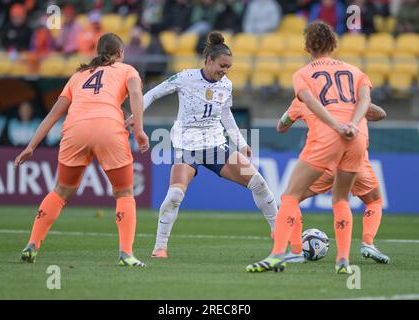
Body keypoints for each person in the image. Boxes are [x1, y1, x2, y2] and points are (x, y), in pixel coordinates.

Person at [246, 21, 372, 274]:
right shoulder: (356, 71)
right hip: (357, 136)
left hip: (328, 136)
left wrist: (336, 125)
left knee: (290, 196)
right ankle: (343, 261)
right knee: (341, 199)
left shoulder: (303, 74)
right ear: (334, 44)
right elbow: (366, 101)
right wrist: (352, 125)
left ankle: (277, 255)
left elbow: (309, 102)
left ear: (307, 46)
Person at [138, 31, 278, 258]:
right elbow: (153, 93)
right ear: (209, 60)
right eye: (222, 65)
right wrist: (137, 115)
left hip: (216, 147)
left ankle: (278, 231)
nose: (224, 71)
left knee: (259, 182)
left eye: (228, 67)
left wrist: (241, 143)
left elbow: (226, 114)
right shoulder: (186, 77)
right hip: (187, 147)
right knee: (175, 196)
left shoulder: (226, 85)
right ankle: (160, 247)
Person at [15, 33, 150, 268]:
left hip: (75, 130)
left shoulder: (77, 76)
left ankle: (32, 245)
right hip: (108, 127)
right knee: (124, 192)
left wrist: (31, 146)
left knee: (60, 192)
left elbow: (54, 113)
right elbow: (137, 94)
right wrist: (139, 129)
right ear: (120, 53)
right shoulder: (127, 70)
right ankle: (126, 254)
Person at [277, 99, 390, 264]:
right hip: (355, 160)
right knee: (374, 201)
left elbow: (281, 126)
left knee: (291, 198)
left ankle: (296, 250)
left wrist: (293, 116)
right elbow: (380, 114)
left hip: (325, 160)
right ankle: (368, 243)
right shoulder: (349, 98)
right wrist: (363, 105)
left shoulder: (303, 98)